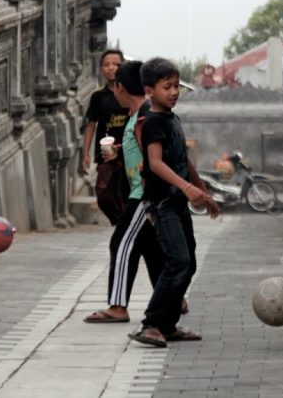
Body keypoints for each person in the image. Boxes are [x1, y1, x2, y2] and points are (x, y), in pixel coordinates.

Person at [129, 57, 220, 348]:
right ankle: (151, 324)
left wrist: (201, 191)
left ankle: (167, 326)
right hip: (162, 204)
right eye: (166, 87)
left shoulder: (172, 119)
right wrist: (185, 188)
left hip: (178, 202)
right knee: (177, 261)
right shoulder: (152, 121)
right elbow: (155, 164)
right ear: (149, 91)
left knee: (189, 263)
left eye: (176, 86)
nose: (174, 92)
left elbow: (184, 159)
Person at [84, 61, 163, 323]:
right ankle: (172, 297)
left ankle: (118, 306)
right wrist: (120, 151)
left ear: (119, 86)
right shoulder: (135, 114)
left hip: (143, 195)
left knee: (121, 243)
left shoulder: (143, 116)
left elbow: (154, 155)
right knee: (151, 249)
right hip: (142, 193)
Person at [83, 49, 129, 225]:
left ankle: (127, 224)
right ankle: (120, 221)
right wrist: (86, 154)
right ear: (101, 68)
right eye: (106, 64)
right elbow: (91, 124)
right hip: (105, 154)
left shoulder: (129, 94)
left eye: (116, 64)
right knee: (103, 194)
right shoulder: (98, 96)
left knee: (125, 191)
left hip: (128, 153)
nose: (111, 68)